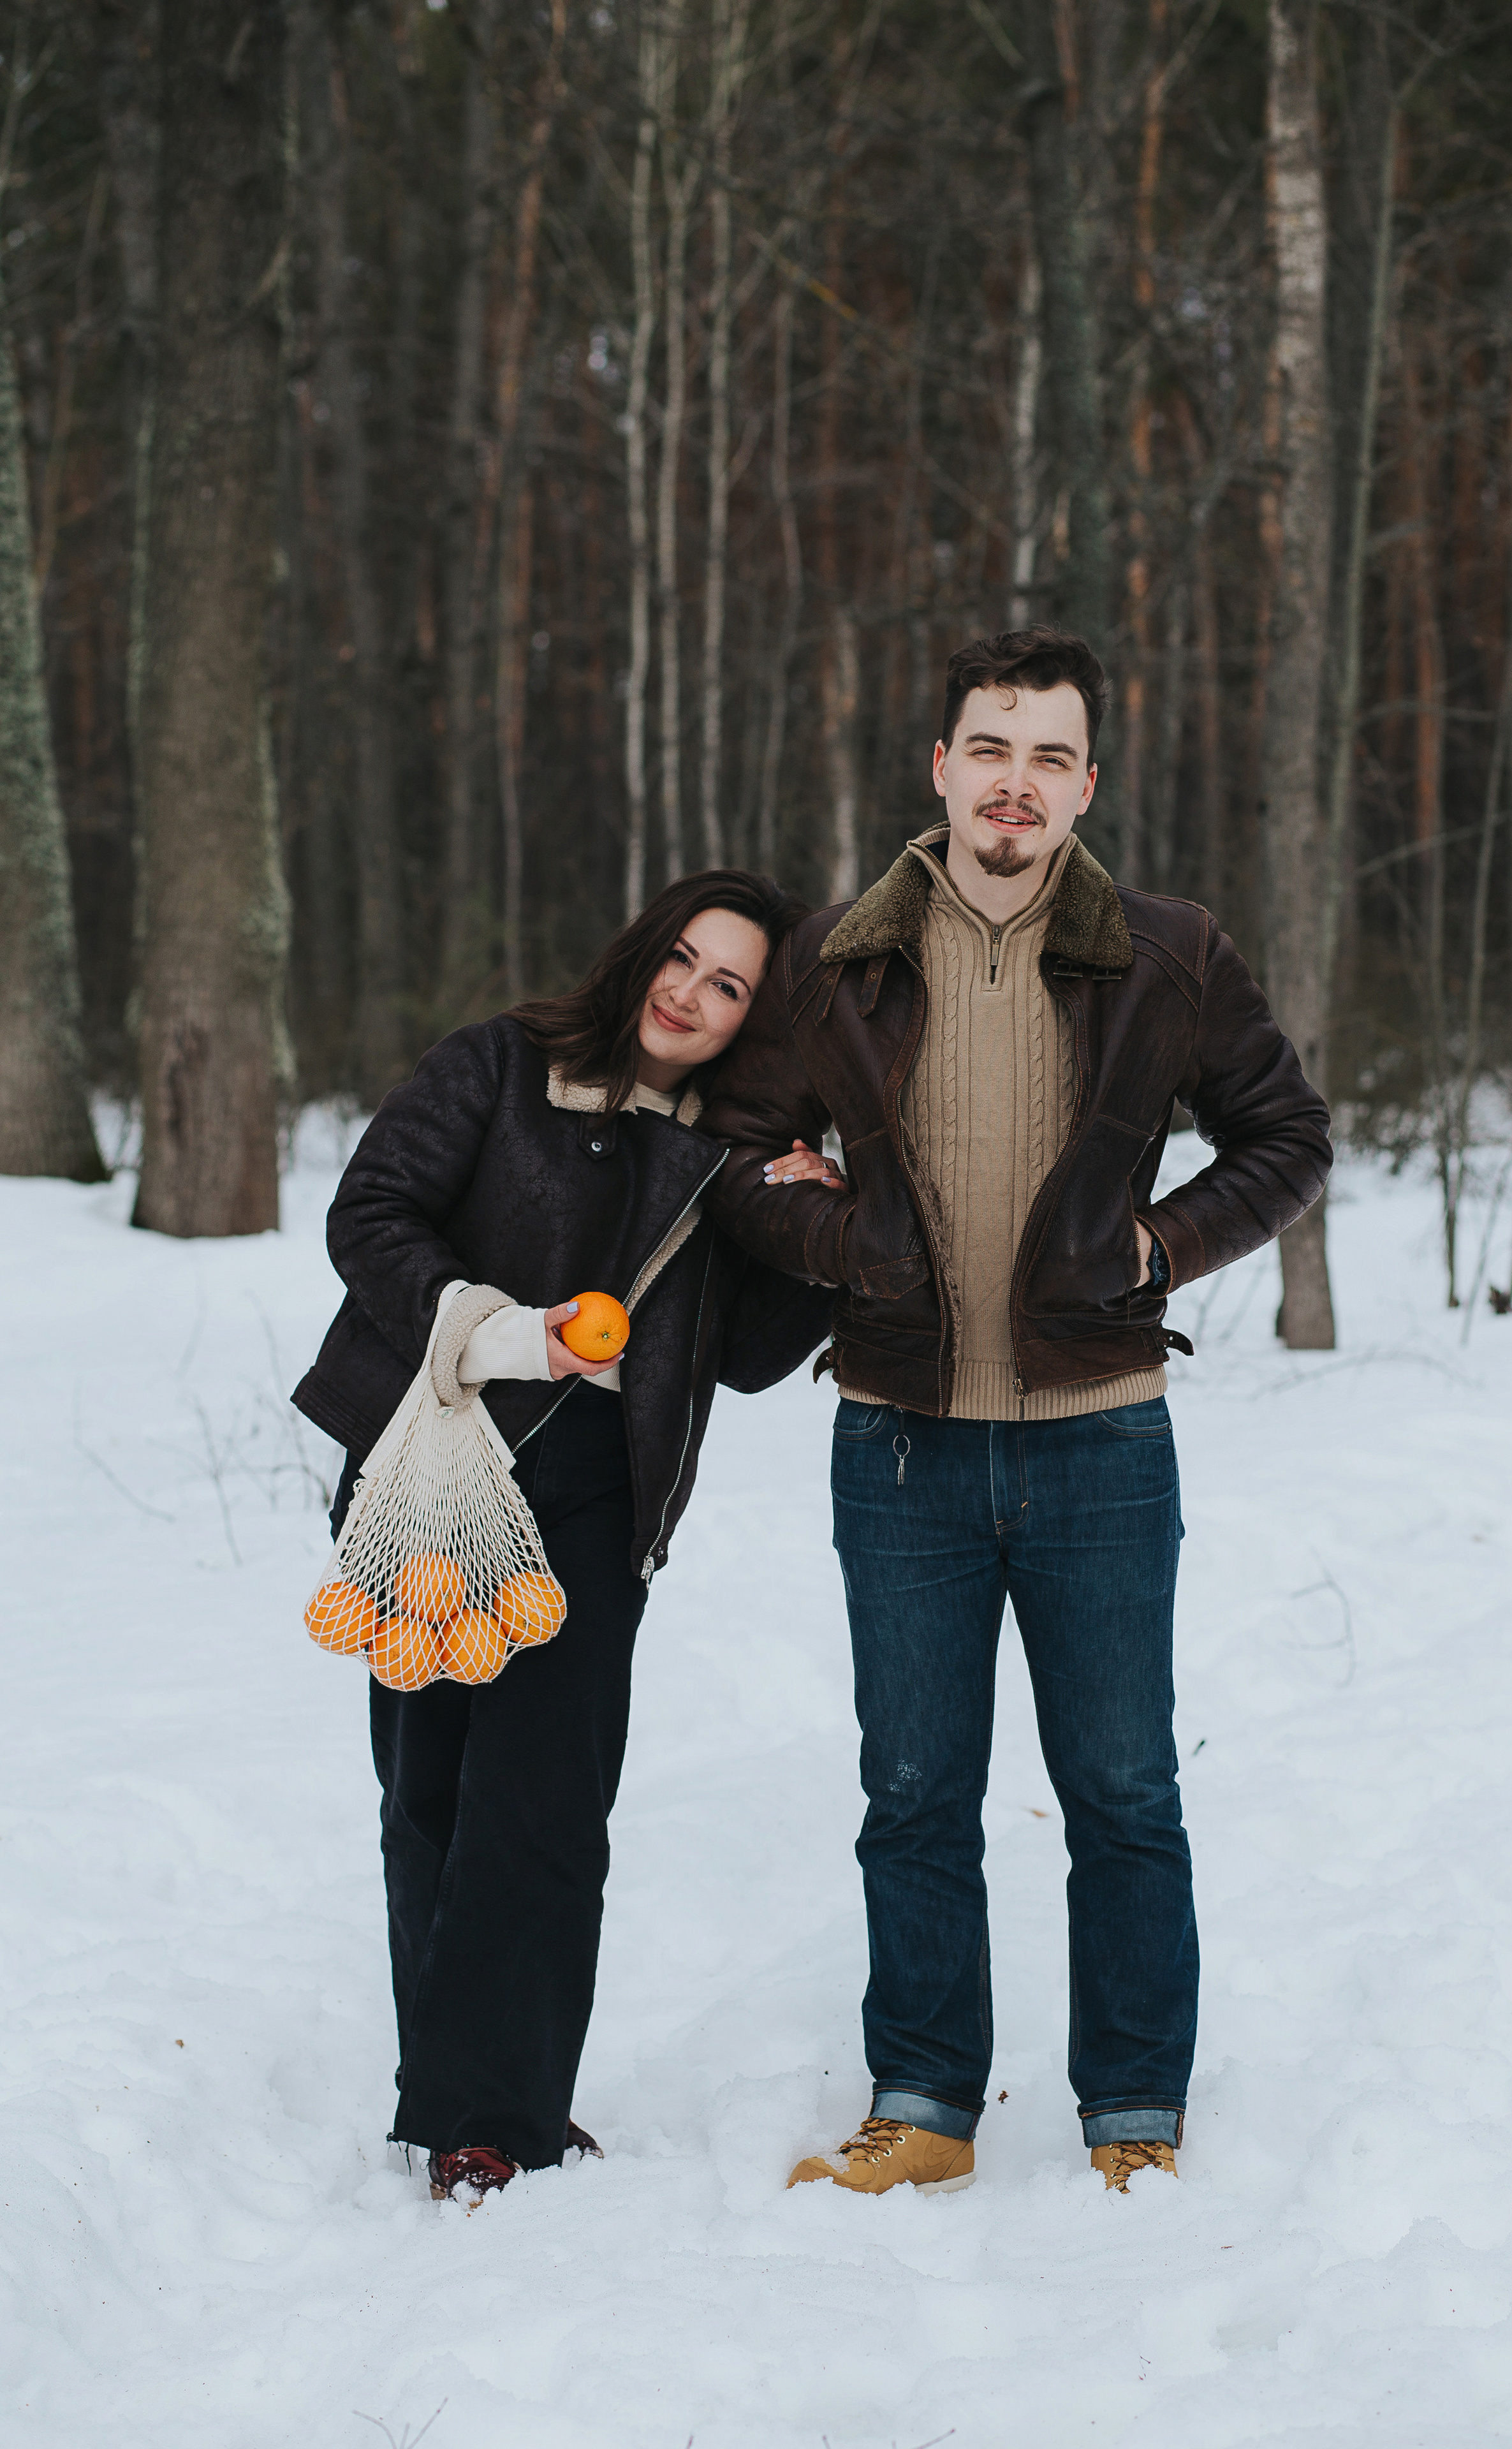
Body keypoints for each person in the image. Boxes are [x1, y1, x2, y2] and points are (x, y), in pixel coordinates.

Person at [700, 628, 1333, 2196]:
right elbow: (727, 1151)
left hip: (1101, 1435)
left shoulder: (1167, 951)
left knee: (1123, 1792)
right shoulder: (835, 962)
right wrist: (826, 1232)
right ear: (939, 766)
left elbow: (1287, 1132)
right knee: (911, 1790)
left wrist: (1158, 1243)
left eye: (1049, 756)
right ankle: (922, 2104)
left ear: (1085, 785)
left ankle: (1130, 2115)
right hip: (897, 1438)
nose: (1015, 783)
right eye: (990, 747)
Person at [291, 872, 835, 2202]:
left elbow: (751, 1357)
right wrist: (486, 1325)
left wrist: (821, 1222)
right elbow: (367, 1218)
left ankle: (494, 2113)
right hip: (431, 1467)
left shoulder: (725, 1156)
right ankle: (461, 2093)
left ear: (748, 1024)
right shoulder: (497, 1064)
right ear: (641, 946)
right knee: (429, 1789)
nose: (690, 996)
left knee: (544, 1800)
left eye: (728, 989)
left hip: (594, 1497)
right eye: (684, 960)